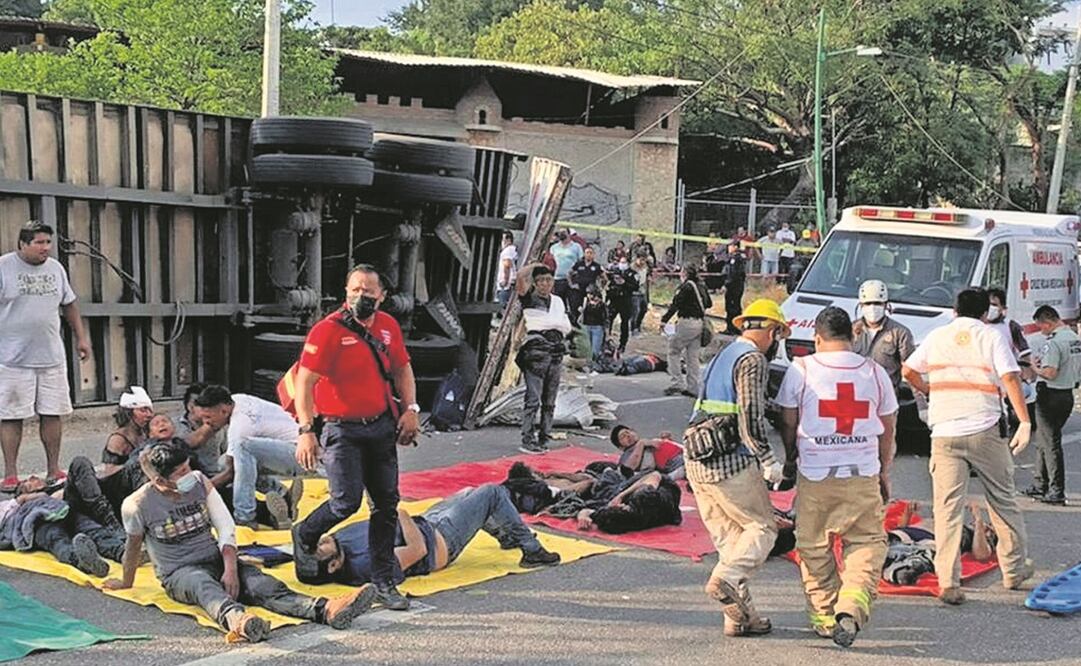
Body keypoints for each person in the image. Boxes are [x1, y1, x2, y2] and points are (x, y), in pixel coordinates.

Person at [104, 442, 375, 642]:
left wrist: (231, 568)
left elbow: (225, 526)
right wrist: (126, 581)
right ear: (160, 480)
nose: (189, 474)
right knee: (203, 586)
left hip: (215, 557)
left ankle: (324, 609)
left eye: (188, 467)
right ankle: (239, 620)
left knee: (261, 583)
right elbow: (133, 547)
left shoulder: (199, 482)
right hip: (179, 572)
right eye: (181, 472)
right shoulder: (137, 505)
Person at [292, 264, 420, 611]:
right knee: (345, 501)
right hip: (341, 429)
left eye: (368, 291)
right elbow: (305, 382)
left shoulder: (388, 327)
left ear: (382, 296)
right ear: (346, 293)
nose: (361, 296)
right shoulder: (327, 331)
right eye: (355, 290)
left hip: (380, 426)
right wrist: (306, 431)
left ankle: (383, 581)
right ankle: (305, 533)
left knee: (386, 504)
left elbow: (402, 368)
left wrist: (411, 408)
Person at [901, 287, 1034, 606]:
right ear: (986, 313)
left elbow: (908, 370)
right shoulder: (991, 336)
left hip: (944, 431)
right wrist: (1024, 421)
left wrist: (929, 390)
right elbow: (1011, 378)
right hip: (984, 427)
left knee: (947, 509)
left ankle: (948, 581)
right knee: (1002, 499)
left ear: (954, 311)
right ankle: (1013, 570)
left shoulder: (937, 336)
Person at [776, 307, 897, 648]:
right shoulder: (874, 372)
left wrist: (791, 459)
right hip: (862, 473)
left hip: (816, 473)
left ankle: (826, 617)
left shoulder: (801, 369)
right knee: (867, 543)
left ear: (817, 338)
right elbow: (888, 428)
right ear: (854, 336)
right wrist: (883, 470)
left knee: (814, 546)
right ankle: (852, 607)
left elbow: (788, 421)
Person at [682, 298, 789, 638]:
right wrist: (768, 460)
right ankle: (725, 580)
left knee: (732, 543)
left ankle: (741, 618)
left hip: (696, 459)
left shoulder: (724, 354)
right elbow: (750, 414)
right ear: (772, 331)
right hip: (729, 461)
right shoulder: (752, 359)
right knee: (762, 528)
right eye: (778, 335)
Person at [316, 483, 560, 585]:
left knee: (469, 492)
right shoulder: (364, 565)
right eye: (319, 548)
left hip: (427, 523)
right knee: (492, 493)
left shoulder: (338, 543)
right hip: (440, 541)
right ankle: (532, 550)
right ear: (333, 565)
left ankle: (506, 536)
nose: (320, 540)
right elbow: (418, 550)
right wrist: (401, 515)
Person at [0, 220, 91, 492]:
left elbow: (69, 304)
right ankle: (11, 474)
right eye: (39, 242)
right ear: (23, 244)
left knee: (52, 413)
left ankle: (54, 469)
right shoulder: (4, 266)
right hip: (12, 357)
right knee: (11, 415)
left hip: (51, 355)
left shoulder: (56, 268)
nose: (45, 248)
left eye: (48, 242)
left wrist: (81, 337)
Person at [193, 385, 308, 530]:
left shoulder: (240, 426)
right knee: (226, 461)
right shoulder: (237, 399)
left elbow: (231, 472)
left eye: (208, 417)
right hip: (290, 448)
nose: (206, 423)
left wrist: (201, 491)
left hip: (302, 455)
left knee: (242, 450)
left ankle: (244, 516)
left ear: (223, 411)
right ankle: (283, 495)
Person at [0, 476, 121, 577]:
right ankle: (82, 561)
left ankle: (121, 552)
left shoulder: (57, 486)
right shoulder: (13, 506)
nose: (32, 478)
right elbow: (22, 501)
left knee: (91, 529)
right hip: (38, 521)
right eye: (28, 484)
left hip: (65, 511)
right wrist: (34, 496)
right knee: (57, 540)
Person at [1026, 305, 1081, 505]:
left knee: (1050, 444)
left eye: (1041, 327)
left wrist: (1034, 366)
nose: (1041, 331)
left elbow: (1050, 373)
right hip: (1067, 395)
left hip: (1050, 395)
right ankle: (1040, 484)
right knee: (1044, 440)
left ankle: (1056, 491)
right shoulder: (1075, 339)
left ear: (1048, 323)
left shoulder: (1054, 343)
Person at [514, 264, 572, 455]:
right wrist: (535, 266)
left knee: (550, 400)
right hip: (537, 352)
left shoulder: (558, 301)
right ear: (535, 283)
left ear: (553, 282)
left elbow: (565, 326)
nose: (545, 284)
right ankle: (528, 439)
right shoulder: (530, 299)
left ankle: (544, 437)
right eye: (540, 281)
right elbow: (520, 278)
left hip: (556, 351)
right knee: (533, 399)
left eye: (548, 280)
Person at [986, 288, 1037, 431]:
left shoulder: (1010, 326)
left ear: (1003, 308)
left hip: (1007, 378)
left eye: (994, 304)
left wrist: (1027, 376)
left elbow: (1025, 353)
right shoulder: (978, 326)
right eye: (988, 304)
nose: (990, 308)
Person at [851, 280, 915, 393]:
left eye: (877, 303)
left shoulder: (900, 333)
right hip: (856, 393)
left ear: (886, 305)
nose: (872, 307)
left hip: (886, 394)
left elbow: (911, 369)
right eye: (868, 303)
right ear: (861, 305)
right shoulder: (850, 331)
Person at [574, 471, 682, 534]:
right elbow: (655, 475)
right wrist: (621, 496)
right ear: (624, 507)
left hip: (656, 493)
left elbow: (589, 511)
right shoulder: (644, 499)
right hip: (663, 485)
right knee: (611, 482)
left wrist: (583, 516)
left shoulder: (624, 521)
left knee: (606, 486)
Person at [661, 264, 710, 397]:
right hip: (699, 323)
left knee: (673, 351)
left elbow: (675, 305)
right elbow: (709, 303)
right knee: (692, 356)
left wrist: (664, 319)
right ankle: (693, 386)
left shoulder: (685, 287)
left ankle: (677, 382)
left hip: (686, 322)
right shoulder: (701, 286)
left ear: (685, 273)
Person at [174, 382, 229, 477]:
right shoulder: (174, 426)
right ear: (190, 407)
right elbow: (187, 444)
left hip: (216, 475)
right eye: (202, 404)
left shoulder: (221, 425)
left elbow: (227, 451)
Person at [102, 387, 154, 473]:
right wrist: (135, 465)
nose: (149, 415)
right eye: (143, 410)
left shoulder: (147, 432)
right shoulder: (118, 439)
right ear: (129, 413)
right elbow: (108, 471)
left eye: (150, 410)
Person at [609, 424, 685, 480]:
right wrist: (641, 444)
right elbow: (628, 468)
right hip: (678, 466)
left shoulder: (647, 443)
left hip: (682, 456)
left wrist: (666, 440)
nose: (628, 436)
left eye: (628, 432)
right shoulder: (628, 454)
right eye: (623, 436)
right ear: (621, 447)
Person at [605, 256, 639, 356]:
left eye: (624, 262)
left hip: (625, 300)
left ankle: (622, 344)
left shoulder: (632, 274)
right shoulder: (615, 271)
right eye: (621, 262)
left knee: (624, 323)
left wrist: (624, 283)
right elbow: (609, 283)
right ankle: (607, 340)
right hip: (614, 300)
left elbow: (635, 287)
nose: (622, 264)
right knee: (608, 320)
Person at [569, 245, 604, 324]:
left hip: (590, 290)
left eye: (591, 253)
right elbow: (569, 273)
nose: (589, 254)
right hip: (579, 289)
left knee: (589, 308)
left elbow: (604, 277)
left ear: (593, 255)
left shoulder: (596, 266)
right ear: (584, 254)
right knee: (575, 307)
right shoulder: (579, 264)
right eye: (587, 253)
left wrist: (601, 288)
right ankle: (575, 323)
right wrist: (571, 284)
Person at [548, 230, 583, 303]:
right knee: (559, 302)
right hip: (558, 279)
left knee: (574, 302)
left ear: (569, 234)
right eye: (560, 233)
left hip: (572, 279)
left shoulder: (576, 247)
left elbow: (581, 262)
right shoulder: (554, 248)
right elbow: (550, 262)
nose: (561, 234)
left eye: (563, 232)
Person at [720, 241, 747, 335]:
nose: (729, 248)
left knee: (732, 307)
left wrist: (726, 285)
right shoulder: (735, 258)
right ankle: (734, 327)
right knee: (734, 306)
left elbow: (733, 274)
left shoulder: (736, 259)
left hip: (734, 286)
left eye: (731, 246)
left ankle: (732, 328)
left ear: (735, 247)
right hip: (736, 286)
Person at [581, 288, 608, 371]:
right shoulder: (586, 303)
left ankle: (593, 363)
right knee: (587, 347)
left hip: (597, 326)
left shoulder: (602, 305)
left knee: (595, 348)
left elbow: (604, 317)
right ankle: (588, 363)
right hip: (587, 325)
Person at [495, 231, 518, 310]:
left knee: (502, 306)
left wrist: (505, 280)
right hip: (510, 282)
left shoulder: (507, 251)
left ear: (508, 240)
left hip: (504, 285)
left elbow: (507, 265)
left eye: (503, 240)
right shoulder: (513, 250)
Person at [630, 252, 651, 335]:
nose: (642, 262)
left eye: (644, 260)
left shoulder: (645, 267)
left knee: (644, 309)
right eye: (641, 260)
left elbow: (646, 281)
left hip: (642, 291)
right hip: (634, 293)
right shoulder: (632, 268)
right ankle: (633, 328)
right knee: (636, 311)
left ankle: (638, 326)